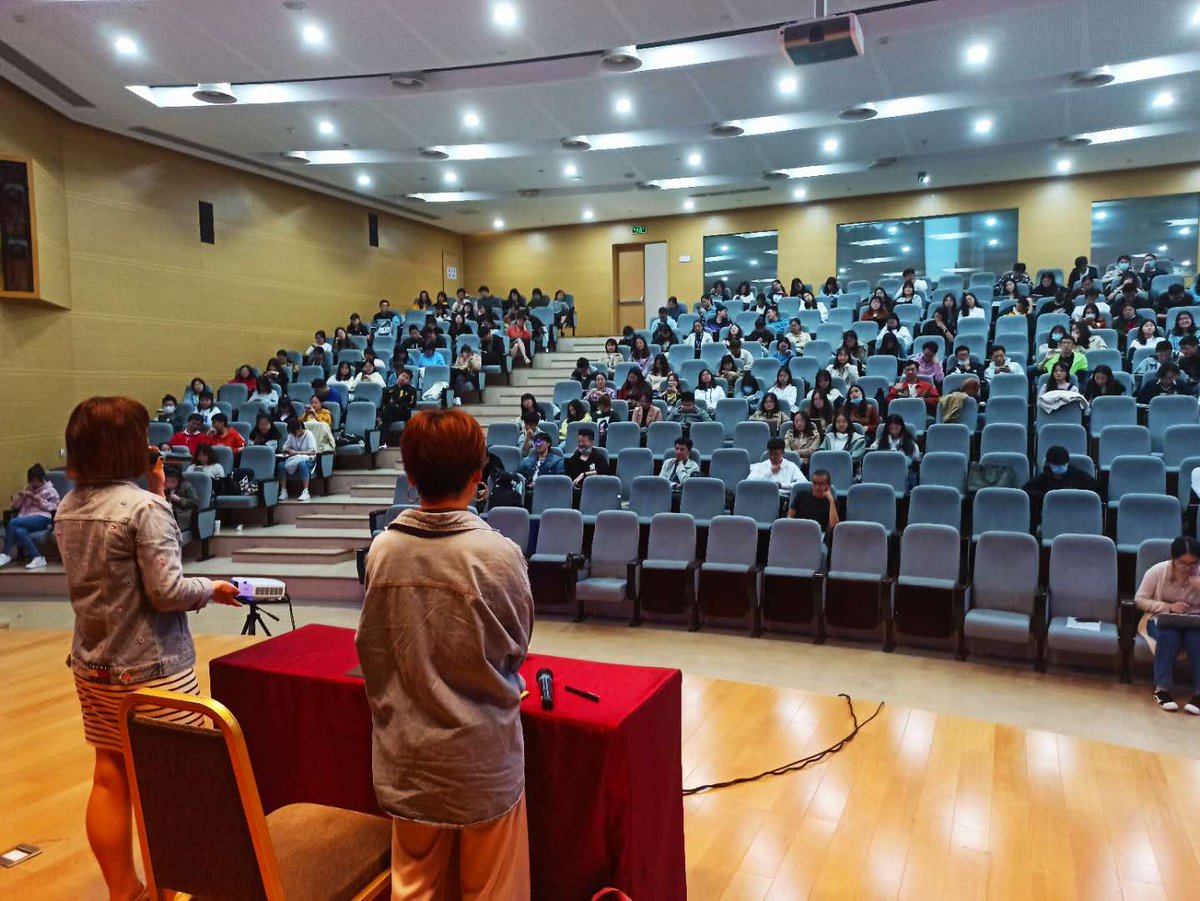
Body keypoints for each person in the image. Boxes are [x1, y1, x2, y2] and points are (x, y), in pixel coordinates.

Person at [56, 397, 240, 901]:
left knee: (110, 775)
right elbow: (168, 592)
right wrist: (213, 590)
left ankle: (125, 891)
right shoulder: (145, 510)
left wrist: (153, 491)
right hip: (152, 670)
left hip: (93, 665)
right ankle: (173, 886)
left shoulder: (68, 507)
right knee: (173, 784)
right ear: (128, 449)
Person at [355, 410, 532, 897]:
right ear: (479, 477)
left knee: (413, 888)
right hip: (482, 760)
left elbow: (374, 647)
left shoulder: (382, 550)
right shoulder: (499, 554)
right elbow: (516, 647)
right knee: (494, 890)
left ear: (410, 478)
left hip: (407, 757)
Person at [1134, 536, 1200, 713]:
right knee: (1168, 636)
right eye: (1182, 563)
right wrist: (1167, 607)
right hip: (1162, 619)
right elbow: (1140, 599)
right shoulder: (1157, 571)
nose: (1187, 568)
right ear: (1173, 559)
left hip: (1195, 622)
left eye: (1192, 564)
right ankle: (1163, 689)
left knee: (1196, 640)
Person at [1022, 445, 1101, 528]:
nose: (1060, 468)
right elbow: (1027, 492)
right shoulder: (1042, 479)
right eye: (1056, 465)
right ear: (1048, 463)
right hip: (1052, 518)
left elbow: (1097, 493)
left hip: (1078, 516)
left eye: (1063, 464)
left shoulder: (1079, 476)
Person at [1, 464, 60, 569]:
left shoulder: (51, 491)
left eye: (34, 481)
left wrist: (38, 499)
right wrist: (21, 494)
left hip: (43, 519)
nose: (32, 483)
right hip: (26, 519)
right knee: (19, 531)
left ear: (40, 479)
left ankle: (5, 553)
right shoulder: (29, 489)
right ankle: (38, 557)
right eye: (30, 481)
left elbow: (55, 508)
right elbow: (14, 506)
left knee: (13, 522)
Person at [277, 418, 316, 502]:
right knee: (280, 465)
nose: (294, 435)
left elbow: (312, 452)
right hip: (294, 459)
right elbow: (285, 447)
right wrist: (286, 451)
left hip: (308, 459)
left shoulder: (308, 435)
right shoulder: (291, 435)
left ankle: (306, 491)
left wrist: (297, 452)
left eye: (295, 433)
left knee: (302, 464)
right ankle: (283, 491)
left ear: (300, 428)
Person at [381, 369, 419, 439]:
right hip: (390, 413)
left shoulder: (412, 390)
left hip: (403, 413)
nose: (403, 378)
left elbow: (412, 403)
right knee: (388, 416)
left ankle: (380, 417)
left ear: (409, 381)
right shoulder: (389, 389)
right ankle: (382, 441)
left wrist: (398, 404)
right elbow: (384, 402)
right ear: (399, 376)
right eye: (403, 375)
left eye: (406, 378)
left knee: (390, 406)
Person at [161, 465, 199, 535]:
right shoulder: (160, 487)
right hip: (165, 513)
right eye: (167, 481)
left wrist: (179, 500)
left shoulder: (186, 486)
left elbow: (195, 503)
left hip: (181, 515)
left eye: (173, 482)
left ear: (178, 481)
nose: (169, 484)